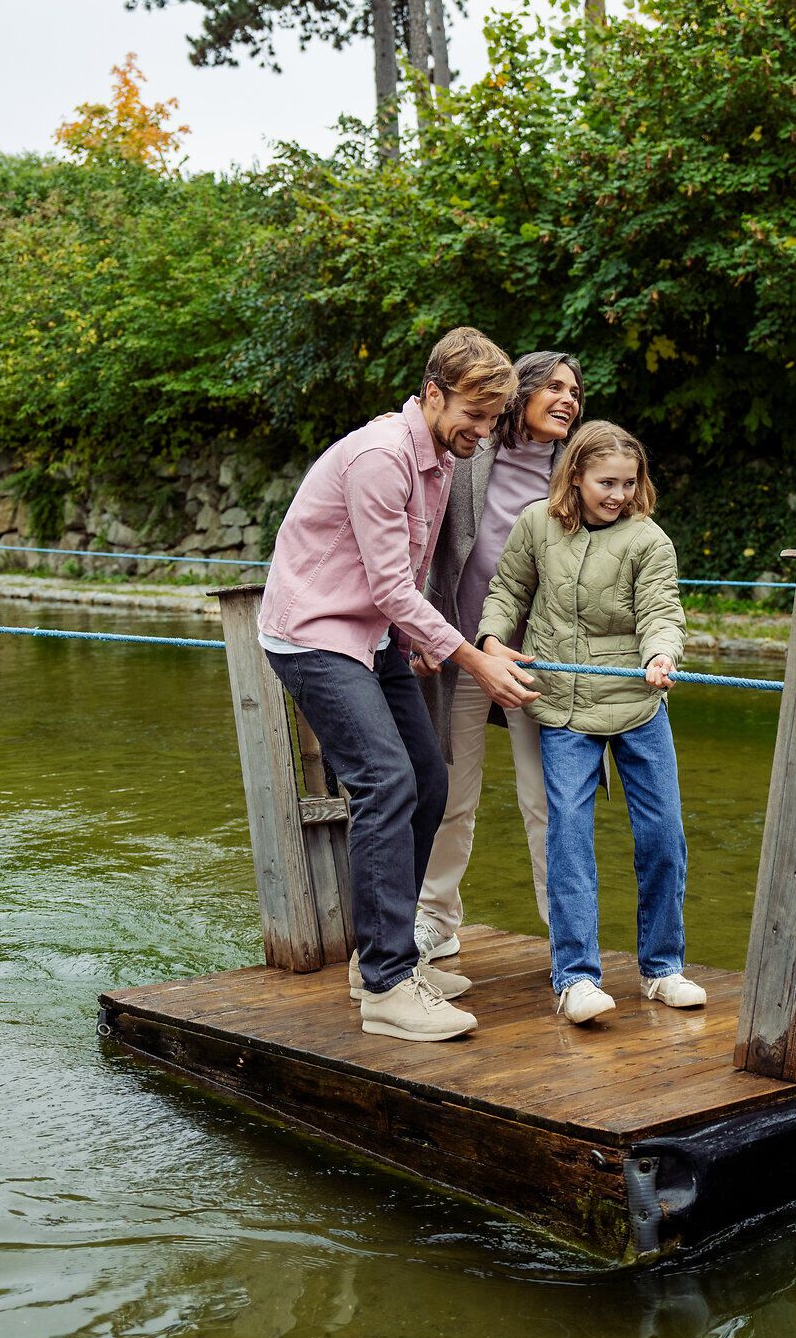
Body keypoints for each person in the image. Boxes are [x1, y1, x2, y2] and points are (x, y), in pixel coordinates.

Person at [257, 327, 539, 1044]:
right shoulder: (383, 456)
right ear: (433, 393)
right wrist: (470, 658)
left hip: (372, 634)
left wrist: (413, 641)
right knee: (385, 782)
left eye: (491, 419)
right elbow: (388, 582)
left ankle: (377, 959)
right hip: (315, 634)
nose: (481, 432)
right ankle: (386, 988)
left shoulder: (439, 459)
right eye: (472, 415)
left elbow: (401, 578)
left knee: (429, 781)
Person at [476, 421, 708, 1024]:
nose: (619, 495)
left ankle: (663, 969)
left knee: (663, 836)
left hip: (637, 703)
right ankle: (576, 978)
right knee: (569, 838)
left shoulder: (649, 541)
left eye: (629, 484)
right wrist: (492, 639)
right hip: (564, 707)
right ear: (574, 475)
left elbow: (663, 612)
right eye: (607, 482)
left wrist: (661, 654)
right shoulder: (535, 524)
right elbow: (507, 590)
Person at [414, 351, 584, 961]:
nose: (568, 399)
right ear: (521, 393)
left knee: (550, 799)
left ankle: (566, 935)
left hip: (542, 659)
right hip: (460, 646)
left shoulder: (579, 468)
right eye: (555, 387)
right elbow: (426, 538)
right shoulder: (468, 453)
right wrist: (419, 633)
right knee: (450, 792)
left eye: (575, 391)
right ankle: (436, 918)